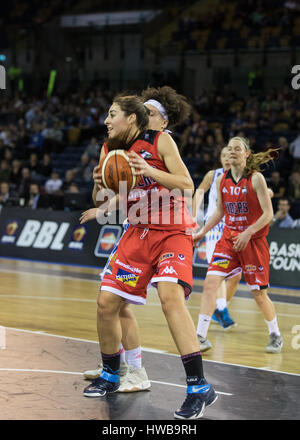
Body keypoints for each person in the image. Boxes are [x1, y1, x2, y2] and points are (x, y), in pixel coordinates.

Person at [81, 94, 217, 419]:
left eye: (112, 114)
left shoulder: (161, 141)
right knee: (107, 302)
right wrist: (101, 190)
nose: (106, 121)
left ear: (132, 119)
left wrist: (149, 171)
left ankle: (199, 387)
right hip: (137, 233)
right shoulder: (110, 150)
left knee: (171, 298)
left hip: (171, 231)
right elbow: (109, 195)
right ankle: (112, 374)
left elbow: (186, 183)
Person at [194, 136, 283, 354]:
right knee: (210, 284)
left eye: (237, 148)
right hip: (228, 240)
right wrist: (201, 233)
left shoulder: (256, 179)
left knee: (258, 294)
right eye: (230, 148)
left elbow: (268, 214)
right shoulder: (220, 179)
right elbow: (220, 212)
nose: (232, 151)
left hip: (253, 242)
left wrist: (248, 232)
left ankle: (275, 335)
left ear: (246, 154)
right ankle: (200, 336)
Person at [193, 147, 241, 337]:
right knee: (219, 271)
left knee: (236, 276)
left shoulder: (242, 176)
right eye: (223, 155)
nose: (227, 158)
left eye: (229, 155)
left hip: (235, 228)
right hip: (215, 228)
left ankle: (219, 309)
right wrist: (194, 215)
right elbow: (199, 192)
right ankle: (222, 310)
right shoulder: (213, 175)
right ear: (220, 158)